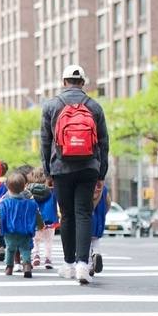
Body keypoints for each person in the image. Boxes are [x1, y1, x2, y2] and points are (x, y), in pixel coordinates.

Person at [40, 64, 109, 285]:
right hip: (89, 167)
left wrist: (47, 171)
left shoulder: (51, 106)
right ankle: (82, 265)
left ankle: (69, 265)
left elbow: (45, 142)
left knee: (67, 215)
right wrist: (101, 173)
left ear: (63, 82)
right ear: (83, 83)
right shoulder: (95, 107)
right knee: (84, 213)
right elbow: (104, 143)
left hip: (61, 168)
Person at [0, 172, 39, 278]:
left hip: (10, 231)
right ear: (24, 187)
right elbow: (37, 215)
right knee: (25, 249)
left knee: (10, 249)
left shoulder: (5, 203)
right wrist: (40, 225)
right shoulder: (30, 203)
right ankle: (27, 265)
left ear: (7, 187)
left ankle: (9, 267)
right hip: (25, 231)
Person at [28, 167, 57, 269]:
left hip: (34, 220)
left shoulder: (28, 191)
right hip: (49, 220)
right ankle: (48, 259)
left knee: (35, 240)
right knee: (48, 241)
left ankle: (36, 255)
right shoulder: (51, 191)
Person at [89, 183, 111, 276]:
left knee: (85, 243)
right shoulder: (103, 188)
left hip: (86, 219)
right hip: (98, 220)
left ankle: (89, 265)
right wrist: (103, 214)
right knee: (95, 240)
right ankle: (96, 253)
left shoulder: (84, 186)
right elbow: (108, 203)